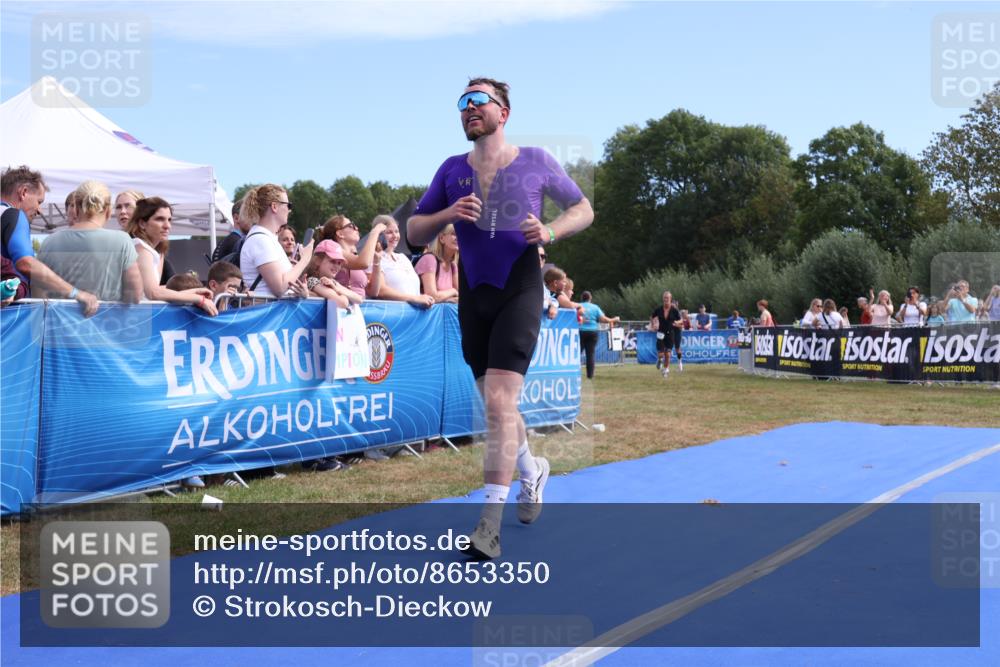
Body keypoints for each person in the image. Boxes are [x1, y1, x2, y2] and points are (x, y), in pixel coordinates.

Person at [407, 77, 593, 559]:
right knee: (499, 407)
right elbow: (414, 230)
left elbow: (583, 208)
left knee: (498, 402)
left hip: (520, 288)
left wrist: (550, 230)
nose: (468, 108)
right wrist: (447, 213)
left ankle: (489, 524)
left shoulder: (535, 160)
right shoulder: (451, 169)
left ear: (503, 112)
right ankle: (533, 471)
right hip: (474, 296)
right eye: (462, 102)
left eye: (479, 100)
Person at [2, 166, 99, 315]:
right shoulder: (13, 214)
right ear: (23, 192)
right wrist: (76, 293)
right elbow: (26, 264)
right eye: (39, 201)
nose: (40, 210)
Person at [36, 180, 141, 306]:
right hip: (107, 318)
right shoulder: (122, 241)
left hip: (58, 318)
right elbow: (134, 295)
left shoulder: (49, 242)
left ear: (77, 208)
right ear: (108, 210)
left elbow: (37, 295)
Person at [126, 197, 218, 316]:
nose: (167, 225)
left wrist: (193, 291)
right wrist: (199, 299)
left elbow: (154, 290)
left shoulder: (152, 250)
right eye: (160, 219)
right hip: (134, 319)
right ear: (142, 223)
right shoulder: (141, 248)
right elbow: (153, 293)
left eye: (169, 220)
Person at [239, 184, 313, 298]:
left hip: (271, 308)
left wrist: (300, 290)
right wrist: (305, 259)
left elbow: (283, 285)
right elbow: (280, 287)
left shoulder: (266, 238)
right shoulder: (261, 240)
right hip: (266, 309)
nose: (289, 210)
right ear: (274, 206)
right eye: (288, 205)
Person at [371, 214, 434, 307]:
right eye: (389, 232)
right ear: (379, 235)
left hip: (413, 312)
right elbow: (381, 290)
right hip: (393, 312)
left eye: (396, 231)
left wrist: (423, 298)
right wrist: (414, 298)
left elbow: (411, 290)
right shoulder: (374, 258)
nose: (395, 236)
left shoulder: (402, 257)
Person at [319, 214, 383, 299]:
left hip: (357, 306)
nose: (356, 228)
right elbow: (363, 263)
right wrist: (374, 232)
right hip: (339, 305)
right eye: (351, 225)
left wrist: (377, 262)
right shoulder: (331, 247)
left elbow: (373, 291)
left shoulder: (354, 256)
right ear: (340, 233)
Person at [306, 240, 364, 309]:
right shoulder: (312, 280)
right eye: (332, 261)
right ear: (318, 260)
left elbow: (359, 299)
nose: (337, 266)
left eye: (339, 263)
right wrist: (339, 291)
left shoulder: (333, 282)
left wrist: (337, 289)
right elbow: (342, 303)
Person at [578, 291, 619, 380]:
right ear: (590, 298)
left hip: (580, 331)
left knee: (577, 353)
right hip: (592, 331)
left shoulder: (578, 306)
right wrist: (614, 319)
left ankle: (575, 372)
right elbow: (603, 319)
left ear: (582, 298)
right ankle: (590, 375)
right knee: (590, 354)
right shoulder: (595, 307)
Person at [415, 224, 459, 303]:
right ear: (441, 238)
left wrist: (449, 297)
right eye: (454, 234)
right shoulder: (429, 259)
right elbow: (432, 297)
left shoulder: (453, 265)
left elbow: (459, 294)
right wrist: (453, 291)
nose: (458, 238)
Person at [650, 291, 683, 376]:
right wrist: (653, 325)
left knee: (668, 354)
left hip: (670, 334)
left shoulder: (674, 310)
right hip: (660, 332)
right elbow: (652, 316)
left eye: (667, 298)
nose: (666, 299)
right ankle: (660, 360)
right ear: (663, 299)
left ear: (670, 299)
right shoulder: (659, 309)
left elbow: (681, 320)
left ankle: (666, 370)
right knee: (661, 354)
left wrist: (677, 322)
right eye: (664, 298)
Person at [538, 246, 557, 319]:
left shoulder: (541, 284)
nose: (540, 259)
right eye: (536, 255)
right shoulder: (517, 279)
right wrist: (548, 303)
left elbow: (551, 300)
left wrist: (553, 305)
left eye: (543, 256)